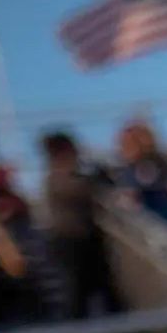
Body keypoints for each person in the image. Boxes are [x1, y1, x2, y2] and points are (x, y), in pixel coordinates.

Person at [39, 131, 123, 318]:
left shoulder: (73, 173)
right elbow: (83, 190)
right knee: (77, 293)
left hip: (86, 239)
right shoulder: (58, 176)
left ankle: (117, 332)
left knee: (105, 290)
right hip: (71, 242)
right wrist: (99, 174)